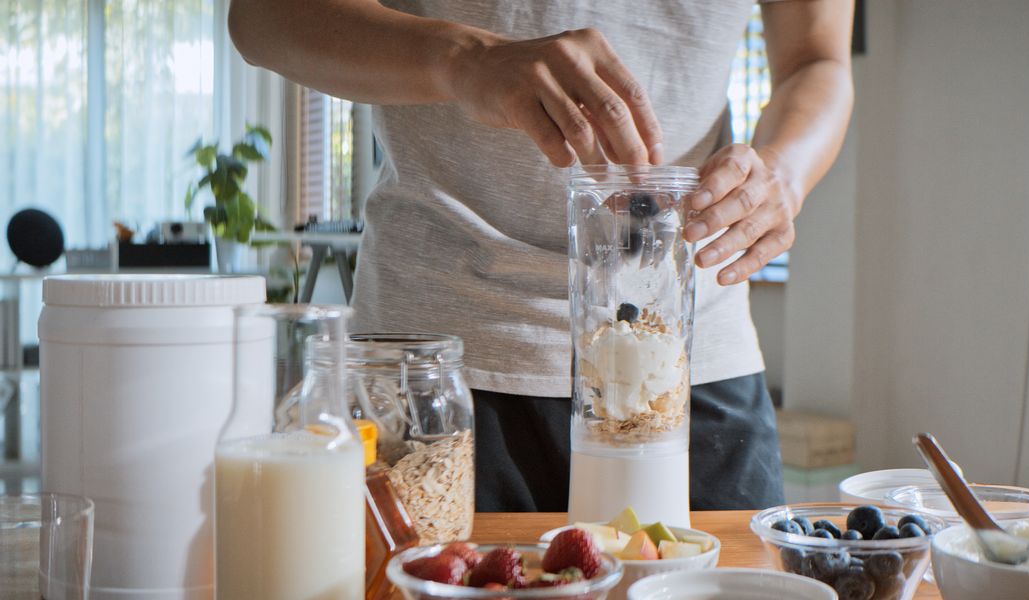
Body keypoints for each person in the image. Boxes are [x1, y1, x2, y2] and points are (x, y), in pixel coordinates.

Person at [228, 0, 854, 511]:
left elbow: (817, 59)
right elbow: (262, 17)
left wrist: (784, 172)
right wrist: (465, 59)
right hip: (435, 368)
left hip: (693, 364)